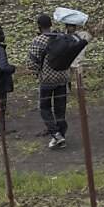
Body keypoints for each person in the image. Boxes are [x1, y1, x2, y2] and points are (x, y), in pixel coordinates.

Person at [28, 14, 70, 149]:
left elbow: (32, 63)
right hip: (63, 77)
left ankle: (56, 134)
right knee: (60, 108)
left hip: (47, 79)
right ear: (51, 24)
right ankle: (61, 135)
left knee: (44, 107)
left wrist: (37, 72)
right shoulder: (61, 37)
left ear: (39, 26)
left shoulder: (38, 41)